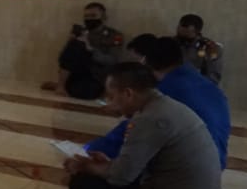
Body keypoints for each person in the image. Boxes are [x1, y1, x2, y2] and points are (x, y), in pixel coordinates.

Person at [65, 62, 228, 189]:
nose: (110, 103)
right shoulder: (167, 106)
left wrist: (87, 167)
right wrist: (108, 165)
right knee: (105, 179)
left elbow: (121, 177)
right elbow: (134, 167)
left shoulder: (149, 119)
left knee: (82, 183)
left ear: (128, 94)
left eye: (112, 97)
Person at [86, 36, 230, 169]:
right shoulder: (205, 84)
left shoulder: (163, 93)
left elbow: (129, 133)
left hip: (186, 170)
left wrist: (88, 150)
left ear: (146, 64)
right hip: (215, 165)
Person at [41, 1, 123, 99]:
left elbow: (112, 60)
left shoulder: (114, 35)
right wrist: (72, 41)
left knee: (86, 93)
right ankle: (61, 85)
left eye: (93, 16)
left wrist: (91, 50)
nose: (89, 19)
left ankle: (59, 85)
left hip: (96, 74)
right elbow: (65, 57)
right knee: (76, 44)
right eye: (86, 16)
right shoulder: (80, 31)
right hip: (76, 70)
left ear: (103, 17)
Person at [176, 13, 223, 85]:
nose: (183, 41)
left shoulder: (210, 48)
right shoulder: (170, 43)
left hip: (197, 87)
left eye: (187, 37)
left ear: (197, 32)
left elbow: (213, 76)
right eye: (180, 35)